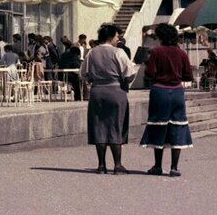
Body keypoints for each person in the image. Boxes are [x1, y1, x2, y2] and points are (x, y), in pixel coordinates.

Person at [139, 23, 194, 177]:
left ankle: (157, 166)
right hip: (177, 92)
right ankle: (174, 167)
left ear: (161, 37)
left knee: (159, 126)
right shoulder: (181, 53)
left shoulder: (156, 52)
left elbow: (150, 74)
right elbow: (188, 76)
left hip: (159, 91)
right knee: (177, 126)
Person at [82, 23, 137, 174]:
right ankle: (117, 165)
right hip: (116, 90)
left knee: (98, 126)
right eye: (117, 36)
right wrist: (125, 82)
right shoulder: (118, 52)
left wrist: (94, 80)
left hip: (97, 91)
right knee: (116, 125)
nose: (118, 39)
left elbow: (84, 73)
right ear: (111, 36)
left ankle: (101, 165)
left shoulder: (92, 53)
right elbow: (130, 73)